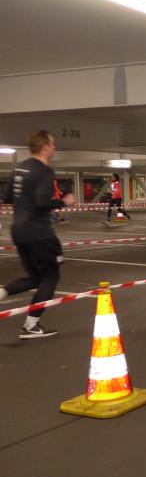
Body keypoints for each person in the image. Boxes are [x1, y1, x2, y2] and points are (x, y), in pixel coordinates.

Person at [0, 130, 75, 338]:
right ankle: (30, 326)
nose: (54, 148)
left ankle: (3, 292)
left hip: (18, 231)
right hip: (39, 232)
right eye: (53, 144)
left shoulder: (19, 168)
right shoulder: (44, 170)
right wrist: (63, 202)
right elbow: (41, 202)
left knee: (35, 278)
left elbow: (6, 197)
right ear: (45, 147)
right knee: (51, 276)